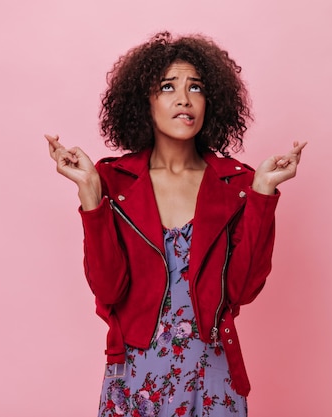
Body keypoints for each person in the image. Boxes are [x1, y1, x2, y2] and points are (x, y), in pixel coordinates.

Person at [45, 32, 306, 417]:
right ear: (144, 102)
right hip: (135, 376)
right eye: (168, 86)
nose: (184, 98)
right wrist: (89, 194)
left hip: (212, 375)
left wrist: (263, 192)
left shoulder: (235, 184)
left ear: (210, 101)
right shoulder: (113, 181)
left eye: (195, 87)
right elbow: (108, 288)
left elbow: (243, 289)